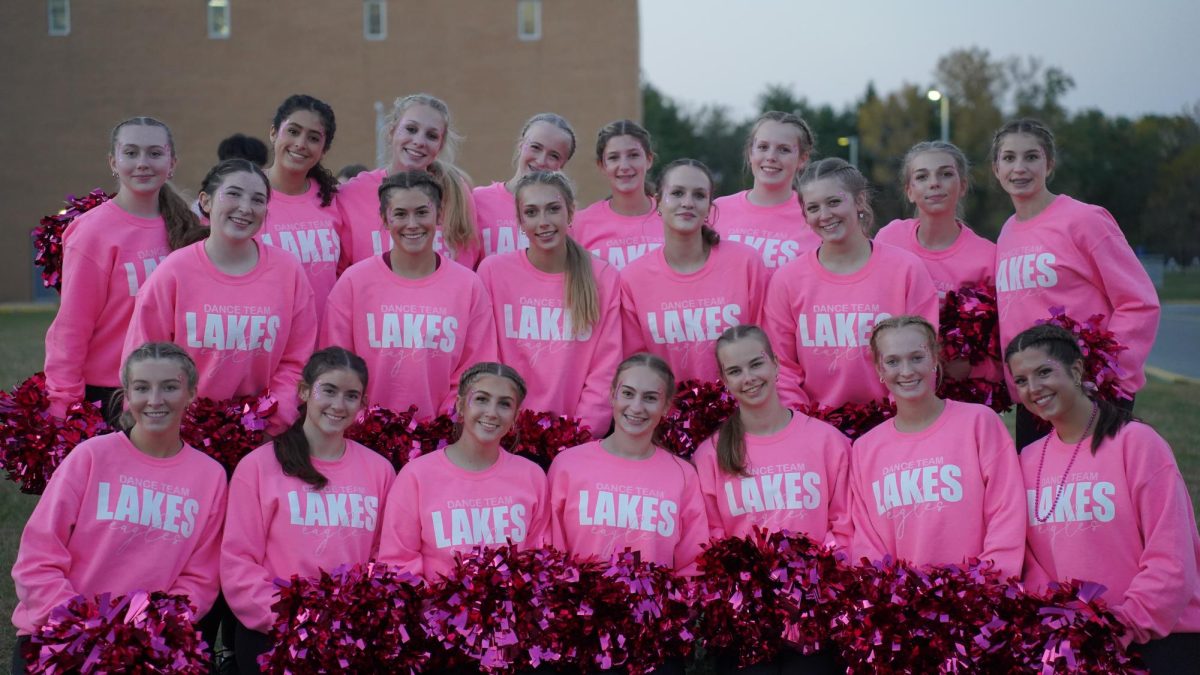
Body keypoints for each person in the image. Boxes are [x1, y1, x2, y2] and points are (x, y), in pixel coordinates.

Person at [12, 344, 227, 673]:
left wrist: (151, 630)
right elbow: (38, 559)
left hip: (148, 644)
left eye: (170, 387)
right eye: (142, 388)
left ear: (191, 394)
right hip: (63, 637)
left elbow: (200, 578)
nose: (155, 400)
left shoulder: (210, 476)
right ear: (126, 393)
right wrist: (81, 627)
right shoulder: (91, 457)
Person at [1006, 324, 1200, 671]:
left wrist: (1119, 626)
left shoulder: (1137, 443)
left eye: (1044, 372)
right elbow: (1030, 561)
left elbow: (1172, 557)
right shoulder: (1027, 459)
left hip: (1160, 639)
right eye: (1021, 380)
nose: (1033, 388)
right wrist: (1064, 625)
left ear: (1077, 369)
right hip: (1077, 646)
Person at [221, 347, 394, 674]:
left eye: (351, 395)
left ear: (362, 404)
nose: (338, 405)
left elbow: (382, 555)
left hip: (348, 638)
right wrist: (294, 620)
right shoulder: (259, 466)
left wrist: (352, 619)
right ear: (304, 391)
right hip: (274, 635)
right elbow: (239, 561)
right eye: (328, 391)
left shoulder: (380, 471)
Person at [991, 119, 1159, 449]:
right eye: (1009, 158)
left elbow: (1138, 302)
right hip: (1036, 396)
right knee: (1045, 495)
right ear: (996, 168)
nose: (1019, 168)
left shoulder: (1085, 220)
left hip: (1092, 393)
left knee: (1098, 496)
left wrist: (1101, 374)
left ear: (1049, 164)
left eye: (1032, 157)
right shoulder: (1007, 231)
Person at [124, 158, 318, 435]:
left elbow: (297, 358)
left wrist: (271, 417)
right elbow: (141, 356)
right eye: (234, 194)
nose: (245, 208)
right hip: (182, 432)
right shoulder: (174, 272)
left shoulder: (288, 271)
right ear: (206, 201)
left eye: (258, 199)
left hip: (261, 434)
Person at [44, 117, 201, 424]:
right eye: (131, 153)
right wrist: (64, 405)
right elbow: (72, 327)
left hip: (174, 389)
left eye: (155, 153)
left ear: (172, 163)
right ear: (113, 162)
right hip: (110, 394)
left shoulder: (195, 229)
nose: (143, 163)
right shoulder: (92, 232)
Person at [849, 316, 1025, 578]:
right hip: (903, 608)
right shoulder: (865, 448)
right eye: (893, 361)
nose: (906, 371)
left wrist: (989, 584)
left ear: (934, 359)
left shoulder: (978, 422)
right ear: (879, 369)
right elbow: (868, 541)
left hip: (979, 601)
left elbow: (1007, 509)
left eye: (917, 357)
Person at [763, 158, 938, 409]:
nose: (824, 215)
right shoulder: (787, 280)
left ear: (858, 201)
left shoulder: (905, 270)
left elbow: (924, 356)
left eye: (834, 202)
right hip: (814, 428)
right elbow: (782, 368)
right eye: (813, 208)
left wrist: (897, 421)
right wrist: (802, 425)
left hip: (892, 423)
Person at [321, 171, 497, 418]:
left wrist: (446, 424)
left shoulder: (468, 286)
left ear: (438, 214)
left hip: (441, 440)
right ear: (384, 218)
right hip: (363, 434)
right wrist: (363, 422)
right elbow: (335, 364)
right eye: (400, 214)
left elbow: (477, 369)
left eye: (422, 212)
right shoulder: (354, 282)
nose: (412, 224)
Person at [477, 171, 620, 436]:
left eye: (553, 209)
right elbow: (486, 357)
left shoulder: (602, 276)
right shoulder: (493, 273)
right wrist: (505, 425)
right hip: (505, 432)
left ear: (571, 212)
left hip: (575, 437)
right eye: (531, 213)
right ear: (519, 221)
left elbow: (605, 370)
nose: (543, 222)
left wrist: (579, 435)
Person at [377, 363, 549, 580]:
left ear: (516, 415)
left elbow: (538, 560)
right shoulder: (417, 476)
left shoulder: (532, 476)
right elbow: (398, 562)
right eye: (481, 399)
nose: (492, 412)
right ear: (460, 405)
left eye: (504, 404)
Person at [548, 353, 709, 575]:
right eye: (627, 393)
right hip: (578, 609)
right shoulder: (567, 465)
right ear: (612, 395)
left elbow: (692, 562)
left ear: (665, 407)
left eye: (650, 398)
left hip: (653, 610)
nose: (636, 407)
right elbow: (550, 552)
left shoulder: (683, 475)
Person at [694, 325, 852, 546]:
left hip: (817, 579)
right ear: (724, 380)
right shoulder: (709, 455)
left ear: (775, 364)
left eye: (756, 364)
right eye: (735, 371)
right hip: (745, 580)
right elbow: (712, 538)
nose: (748, 378)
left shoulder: (828, 441)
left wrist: (818, 575)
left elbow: (844, 528)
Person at [620, 159, 769, 383]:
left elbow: (767, 349)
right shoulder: (633, 278)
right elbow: (637, 366)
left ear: (709, 207)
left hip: (743, 411)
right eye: (678, 193)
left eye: (699, 195)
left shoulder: (746, 263)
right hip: (668, 413)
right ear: (658, 202)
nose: (688, 202)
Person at [874, 141, 1000, 386]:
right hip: (897, 384)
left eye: (945, 174)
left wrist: (970, 368)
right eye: (922, 176)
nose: (934, 183)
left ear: (962, 185)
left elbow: (997, 343)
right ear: (909, 190)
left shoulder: (988, 256)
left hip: (960, 389)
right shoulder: (889, 239)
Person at [337, 93, 479, 267]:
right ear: (392, 131)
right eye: (411, 129)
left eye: (432, 136)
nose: (419, 141)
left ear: (440, 146)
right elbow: (340, 269)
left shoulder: (458, 194)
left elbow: (468, 264)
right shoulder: (353, 194)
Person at [260, 94, 347, 319]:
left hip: (323, 346)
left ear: (323, 150)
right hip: (266, 343)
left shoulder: (334, 199)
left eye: (314, 138)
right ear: (273, 133)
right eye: (293, 131)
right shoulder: (245, 196)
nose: (300, 144)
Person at [712, 111, 821, 273]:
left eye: (784, 150)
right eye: (763, 147)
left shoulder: (816, 216)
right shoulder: (716, 210)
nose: (771, 157)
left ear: (802, 159)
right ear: (750, 153)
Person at [473, 113, 576, 258]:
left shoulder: (564, 216)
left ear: (562, 165)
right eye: (535, 147)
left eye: (554, 156)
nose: (541, 160)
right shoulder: (478, 200)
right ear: (521, 145)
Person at [572, 119, 664, 270]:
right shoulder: (580, 224)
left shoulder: (671, 218)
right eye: (614, 157)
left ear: (649, 160)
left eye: (633, 155)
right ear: (602, 166)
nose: (624, 166)